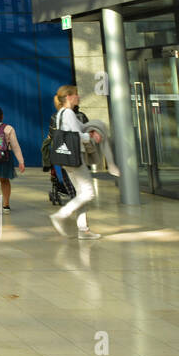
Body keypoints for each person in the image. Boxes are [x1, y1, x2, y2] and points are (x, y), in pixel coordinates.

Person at [48, 85, 103, 240]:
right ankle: (61, 215)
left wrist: (89, 132)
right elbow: (77, 135)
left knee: (81, 194)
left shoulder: (61, 114)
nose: (78, 97)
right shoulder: (68, 114)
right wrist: (92, 137)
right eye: (76, 95)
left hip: (67, 158)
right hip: (74, 158)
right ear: (69, 97)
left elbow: (80, 129)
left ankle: (83, 230)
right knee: (89, 193)